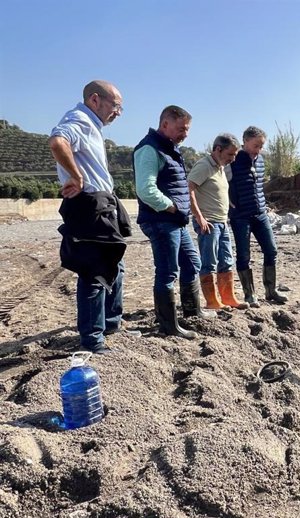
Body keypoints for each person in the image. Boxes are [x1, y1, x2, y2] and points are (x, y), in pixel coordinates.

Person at [49, 80, 131, 354]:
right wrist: (75, 175)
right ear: (95, 100)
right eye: (115, 106)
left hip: (103, 204)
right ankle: (93, 341)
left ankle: (111, 324)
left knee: (115, 266)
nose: (118, 112)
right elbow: (57, 142)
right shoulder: (80, 120)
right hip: (90, 206)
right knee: (94, 273)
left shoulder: (92, 125)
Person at [133, 105, 214, 340]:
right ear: (165, 124)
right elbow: (146, 190)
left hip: (175, 222)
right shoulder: (149, 149)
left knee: (192, 262)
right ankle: (169, 326)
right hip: (160, 220)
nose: (185, 134)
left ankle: (192, 311)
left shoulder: (170, 149)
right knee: (168, 272)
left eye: (187, 130)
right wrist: (173, 207)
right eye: (181, 129)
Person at [188, 133, 247, 310]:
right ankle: (212, 301)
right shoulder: (204, 165)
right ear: (218, 149)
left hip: (222, 222)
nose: (233, 158)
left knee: (226, 260)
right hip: (209, 223)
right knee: (209, 262)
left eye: (235, 154)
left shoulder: (220, 168)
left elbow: (214, 190)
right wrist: (200, 217)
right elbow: (189, 189)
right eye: (230, 154)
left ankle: (228, 298)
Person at [229, 126, 287, 306]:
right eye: (255, 146)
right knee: (244, 255)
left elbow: (258, 185)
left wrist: (264, 205)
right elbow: (220, 183)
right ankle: (249, 294)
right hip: (240, 216)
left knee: (271, 250)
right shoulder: (232, 160)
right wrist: (229, 204)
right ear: (245, 141)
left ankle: (271, 291)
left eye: (261, 146)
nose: (258, 150)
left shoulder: (260, 160)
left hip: (260, 213)